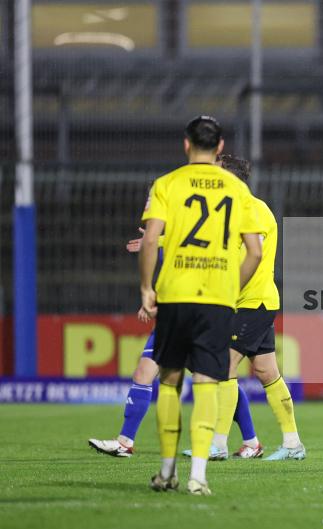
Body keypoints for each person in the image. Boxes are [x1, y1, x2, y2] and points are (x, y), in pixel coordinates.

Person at [140, 116, 263, 495]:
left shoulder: (167, 184)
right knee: (209, 381)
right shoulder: (237, 188)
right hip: (217, 298)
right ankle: (198, 476)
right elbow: (254, 251)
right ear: (221, 147)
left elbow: (149, 241)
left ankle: (166, 471)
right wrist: (229, 286)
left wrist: (147, 288)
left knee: (170, 379)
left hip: (176, 292)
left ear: (186, 144)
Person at [88, 228, 260, 459]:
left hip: (195, 317)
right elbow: (173, 273)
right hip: (171, 319)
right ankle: (124, 442)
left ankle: (251, 441)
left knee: (221, 380)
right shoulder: (174, 234)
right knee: (144, 372)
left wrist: (155, 242)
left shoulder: (196, 232)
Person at [184, 154, 306, 462]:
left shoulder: (254, 210)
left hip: (254, 302)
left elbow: (248, 259)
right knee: (267, 371)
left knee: (224, 365)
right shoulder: (228, 211)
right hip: (248, 302)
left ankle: (219, 444)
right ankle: (293, 444)